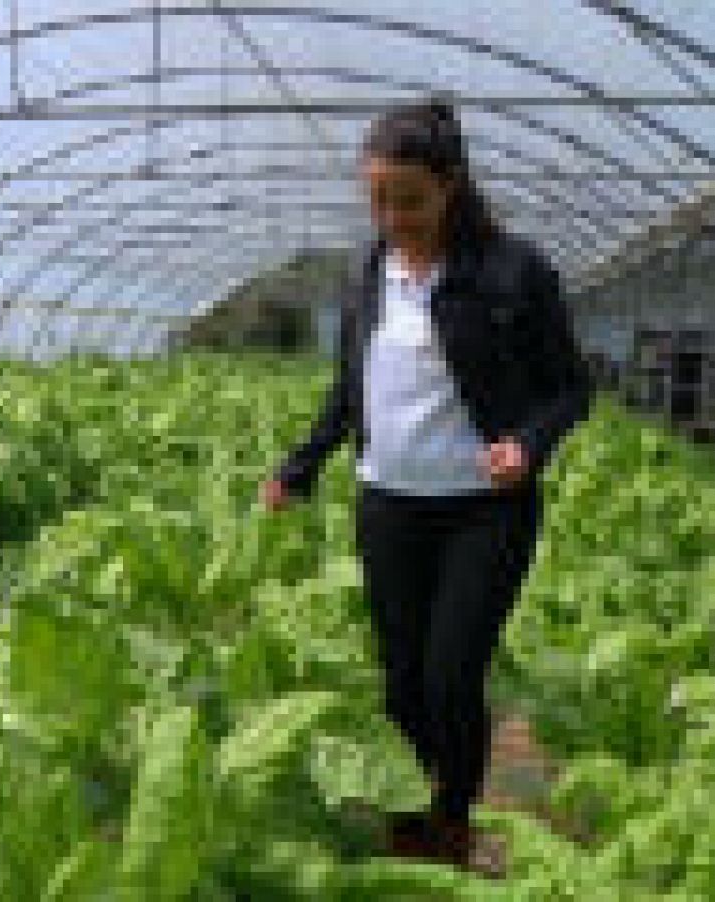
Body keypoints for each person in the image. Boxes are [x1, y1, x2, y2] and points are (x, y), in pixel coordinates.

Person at [260, 97, 592, 873]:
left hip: (484, 511)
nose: (392, 216)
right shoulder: (369, 271)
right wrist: (299, 468)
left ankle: (451, 824)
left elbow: (570, 389)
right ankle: (405, 823)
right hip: (389, 506)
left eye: (408, 199)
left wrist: (528, 444)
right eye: (377, 199)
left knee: (452, 675)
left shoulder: (513, 270)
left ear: (451, 186)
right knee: (402, 680)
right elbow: (351, 389)